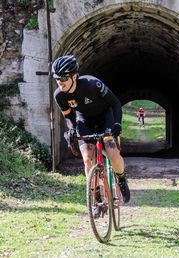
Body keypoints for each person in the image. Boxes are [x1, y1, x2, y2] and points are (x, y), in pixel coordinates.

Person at [52, 55, 130, 213]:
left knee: (112, 151)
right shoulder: (59, 95)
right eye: (57, 78)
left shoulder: (92, 84)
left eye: (64, 78)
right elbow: (68, 115)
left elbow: (115, 103)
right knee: (88, 159)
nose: (60, 81)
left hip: (105, 118)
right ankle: (96, 198)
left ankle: (121, 179)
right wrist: (72, 129)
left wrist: (117, 124)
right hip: (84, 121)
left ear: (74, 77)